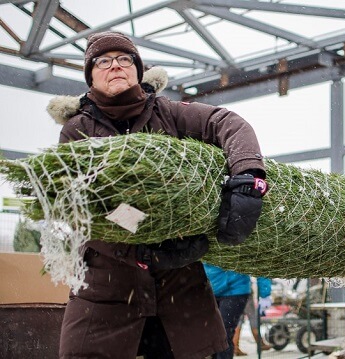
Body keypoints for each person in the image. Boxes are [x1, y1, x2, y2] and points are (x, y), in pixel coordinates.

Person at [52, 31, 268, 359]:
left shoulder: (167, 114)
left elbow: (227, 123)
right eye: (103, 61)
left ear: (138, 69)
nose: (115, 67)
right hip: (107, 290)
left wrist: (248, 179)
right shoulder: (78, 132)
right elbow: (84, 206)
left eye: (125, 59)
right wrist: (142, 245)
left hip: (179, 292)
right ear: (90, 76)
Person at [203, 264, 272, 359]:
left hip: (236, 289)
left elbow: (260, 260)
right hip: (209, 288)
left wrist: (265, 292)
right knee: (211, 334)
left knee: (224, 332)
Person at [233, 278, 273, 356]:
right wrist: (265, 294)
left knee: (239, 319)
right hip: (244, 290)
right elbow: (262, 276)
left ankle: (235, 346)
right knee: (253, 318)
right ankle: (260, 343)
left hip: (232, 293)